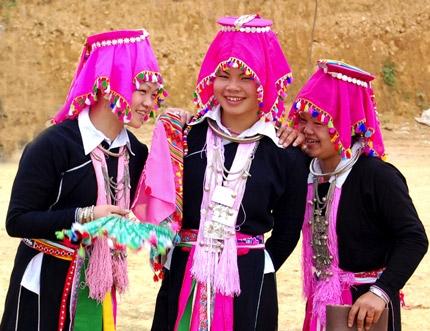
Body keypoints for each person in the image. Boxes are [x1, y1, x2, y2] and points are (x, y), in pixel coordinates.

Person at [150, 15, 309, 331]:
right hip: (185, 273)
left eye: (246, 77)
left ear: (263, 80)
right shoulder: (185, 136)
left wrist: (256, 266)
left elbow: (290, 229)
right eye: (223, 75)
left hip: (249, 283)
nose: (232, 87)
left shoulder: (286, 152)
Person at [0, 29, 167, 331]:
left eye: (153, 95)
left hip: (98, 283)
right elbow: (17, 221)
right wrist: (87, 216)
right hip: (46, 281)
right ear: (108, 85)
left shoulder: (136, 153)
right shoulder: (53, 145)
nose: (148, 103)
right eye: (140, 91)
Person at [286, 59, 428, 331]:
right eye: (303, 120)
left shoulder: (377, 176)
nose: (306, 130)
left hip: (365, 308)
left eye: (319, 122)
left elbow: (414, 239)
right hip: (321, 301)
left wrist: (381, 292)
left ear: (345, 122)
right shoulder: (304, 168)